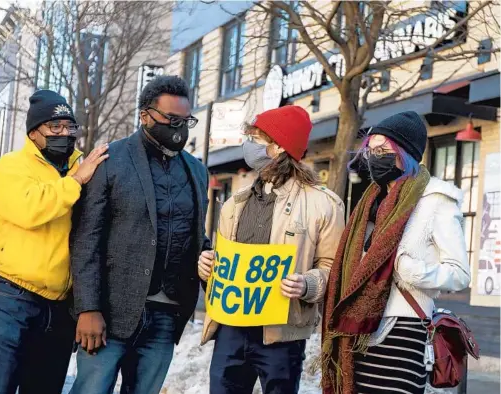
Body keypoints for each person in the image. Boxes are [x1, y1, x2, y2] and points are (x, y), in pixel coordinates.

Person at [69, 75, 210, 394]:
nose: (180, 128)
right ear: (145, 115)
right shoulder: (110, 159)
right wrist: (88, 308)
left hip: (165, 314)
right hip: (108, 313)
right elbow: (86, 238)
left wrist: (208, 257)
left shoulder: (197, 170)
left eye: (186, 120)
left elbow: (195, 236)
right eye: (172, 119)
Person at [198, 105, 345, 394]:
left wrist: (308, 284)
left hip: (282, 334)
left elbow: (334, 268)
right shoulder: (234, 204)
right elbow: (222, 264)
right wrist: (207, 267)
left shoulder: (324, 204)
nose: (248, 145)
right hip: (230, 328)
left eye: (256, 138)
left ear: (278, 147)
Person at [321, 111, 470, 394]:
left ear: (406, 152)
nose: (374, 157)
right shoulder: (369, 202)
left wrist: (412, 270)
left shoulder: (435, 201)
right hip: (358, 331)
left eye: (383, 150)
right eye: (371, 150)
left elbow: (460, 274)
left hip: (403, 330)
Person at [0, 90, 108, 394]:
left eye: (70, 127)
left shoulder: (84, 167)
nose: (65, 134)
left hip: (59, 308)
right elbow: (30, 209)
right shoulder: (11, 167)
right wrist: (75, 182)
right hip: (9, 299)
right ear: (34, 133)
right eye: (55, 127)